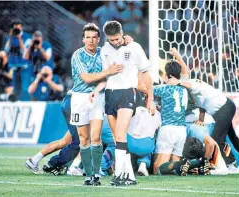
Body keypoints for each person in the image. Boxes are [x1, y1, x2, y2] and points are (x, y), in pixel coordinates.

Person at [167, 48, 239, 174]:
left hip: (224, 108)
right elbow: (201, 102)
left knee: (217, 139)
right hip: (224, 107)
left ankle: (233, 165)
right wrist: (177, 56)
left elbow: (191, 86)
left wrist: (178, 81)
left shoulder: (191, 86)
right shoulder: (187, 84)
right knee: (231, 135)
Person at [101, 20, 156, 186]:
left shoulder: (134, 47)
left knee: (120, 134)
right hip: (110, 95)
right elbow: (106, 75)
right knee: (118, 139)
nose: (115, 42)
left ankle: (119, 174)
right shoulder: (104, 50)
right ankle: (129, 176)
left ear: (122, 33)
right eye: (112, 40)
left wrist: (150, 99)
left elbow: (146, 74)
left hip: (127, 93)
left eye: (117, 38)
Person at [70, 23, 124, 186]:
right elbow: (86, 78)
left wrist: (127, 40)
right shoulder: (77, 55)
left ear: (99, 39)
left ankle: (96, 175)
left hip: (98, 97)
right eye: (88, 37)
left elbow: (119, 47)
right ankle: (87, 175)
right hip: (79, 98)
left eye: (94, 37)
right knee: (83, 139)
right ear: (83, 39)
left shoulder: (103, 53)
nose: (91, 41)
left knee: (96, 138)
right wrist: (107, 72)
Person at [24, 92, 80, 175]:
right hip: (78, 102)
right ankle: (72, 167)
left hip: (71, 100)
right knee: (84, 140)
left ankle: (34, 160)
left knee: (64, 141)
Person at [4, 19, 31, 100]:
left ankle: (26, 104)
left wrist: (19, 38)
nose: (16, 26)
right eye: (14, 25)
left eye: (17, 24)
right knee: (15, 89)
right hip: (14, 66)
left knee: (25, 89)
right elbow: (6, 49)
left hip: (24, 66)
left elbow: (25, 51)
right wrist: (11, 37)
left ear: (21, 26)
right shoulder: (10, 37)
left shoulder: (27, 36)